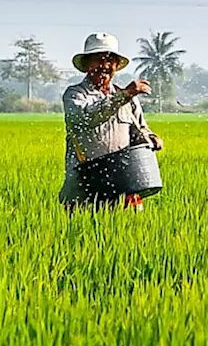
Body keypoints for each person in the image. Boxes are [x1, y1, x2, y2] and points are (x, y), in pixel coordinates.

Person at [59, 32, 164, 212]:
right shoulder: (75, 95)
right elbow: (87, 118)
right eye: (98, 60)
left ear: (116, 65)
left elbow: (140, 128)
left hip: (126, 180)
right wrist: (123, 95)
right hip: (85, 184)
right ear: (86, 64)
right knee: (86, 235)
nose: (104, 66)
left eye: (110, 61)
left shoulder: (127, 98)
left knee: (128, 234)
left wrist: (151, 138)